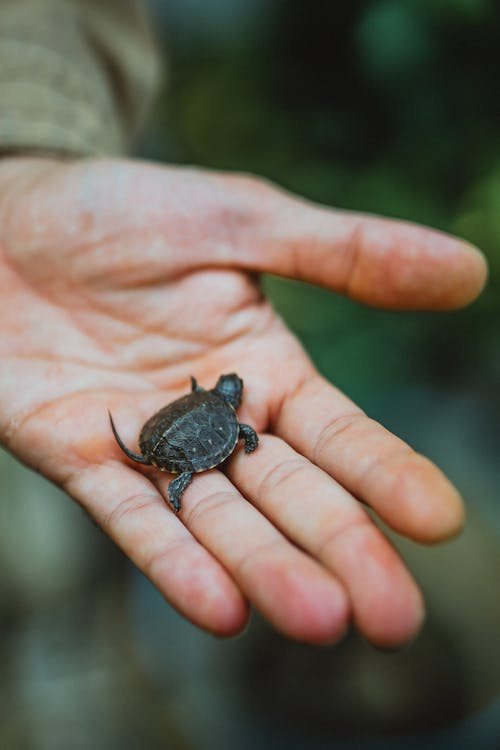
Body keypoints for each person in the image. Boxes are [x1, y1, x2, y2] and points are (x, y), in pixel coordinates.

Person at [0, 0, 488, 647]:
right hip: (164, 437)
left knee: (46, 557)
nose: (234, 393)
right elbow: (237, 435)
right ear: (231, 401)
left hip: (160, 430)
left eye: (229, 392)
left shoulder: (217, 405)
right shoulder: (231, 421)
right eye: (232, 394)